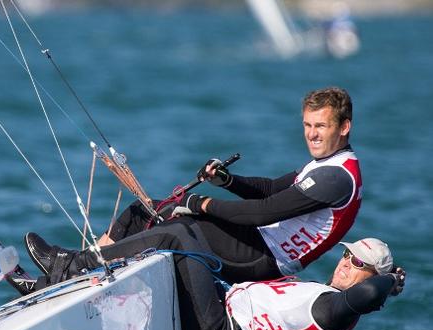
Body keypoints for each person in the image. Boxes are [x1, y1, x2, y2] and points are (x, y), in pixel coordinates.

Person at [66, 86, 362, 284]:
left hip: (266, 258)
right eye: (307, 125)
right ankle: (80, 266)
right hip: (254, 241)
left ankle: (82, 267)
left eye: (320, 126)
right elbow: (271, 189)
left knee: (178, 230)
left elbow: (264, 212)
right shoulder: (323, 164)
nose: (311, 134)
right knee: (148, 210)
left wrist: (201, 204)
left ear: (344, 127)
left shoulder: (336, 177)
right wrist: (228, 180)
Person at [39, 236, 406, 330]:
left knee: (177, 238)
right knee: (182, 244)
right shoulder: (318, 293)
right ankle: (42, 290)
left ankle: (74, 264)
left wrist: (390, 284)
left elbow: (366, 296)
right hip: (218, 327)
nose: (345, 263)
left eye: (358, 264)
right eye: (346, 255)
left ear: (374, 277)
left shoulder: (335, 312)